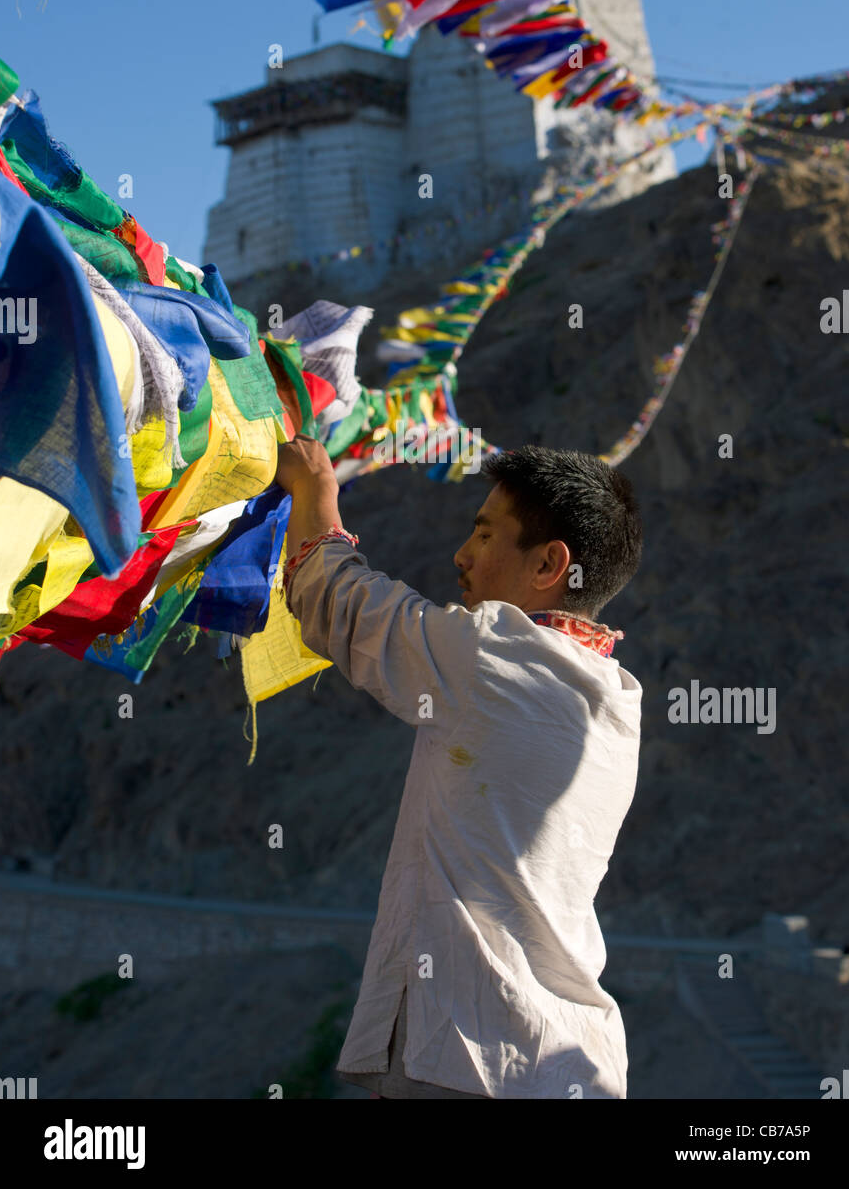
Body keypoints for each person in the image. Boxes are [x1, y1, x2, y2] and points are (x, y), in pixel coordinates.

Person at [275, 438, 644, 1100]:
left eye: (484, 533)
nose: (462, 556)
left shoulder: (494, 656)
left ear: (549, 564)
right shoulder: (617, 698)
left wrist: (313, 489)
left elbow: (333, 595)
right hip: (568, 1066)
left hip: (468, 1056)